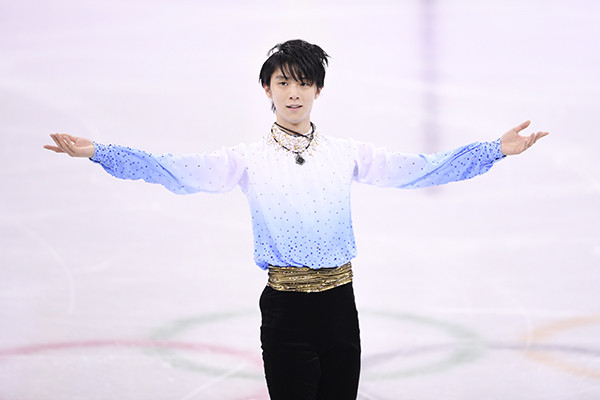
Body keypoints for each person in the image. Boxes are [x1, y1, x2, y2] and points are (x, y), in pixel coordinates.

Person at [44, 39, 548, 400]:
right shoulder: (246, 160)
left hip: (340, 308)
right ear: (266, 87)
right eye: (283, 82)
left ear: (317, 90)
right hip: (285, 311)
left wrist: (493, 150)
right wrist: (100, 152)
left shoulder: (346, 153)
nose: (293, 93)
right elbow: (174, 170)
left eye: (304, 83)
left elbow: (420, 170)